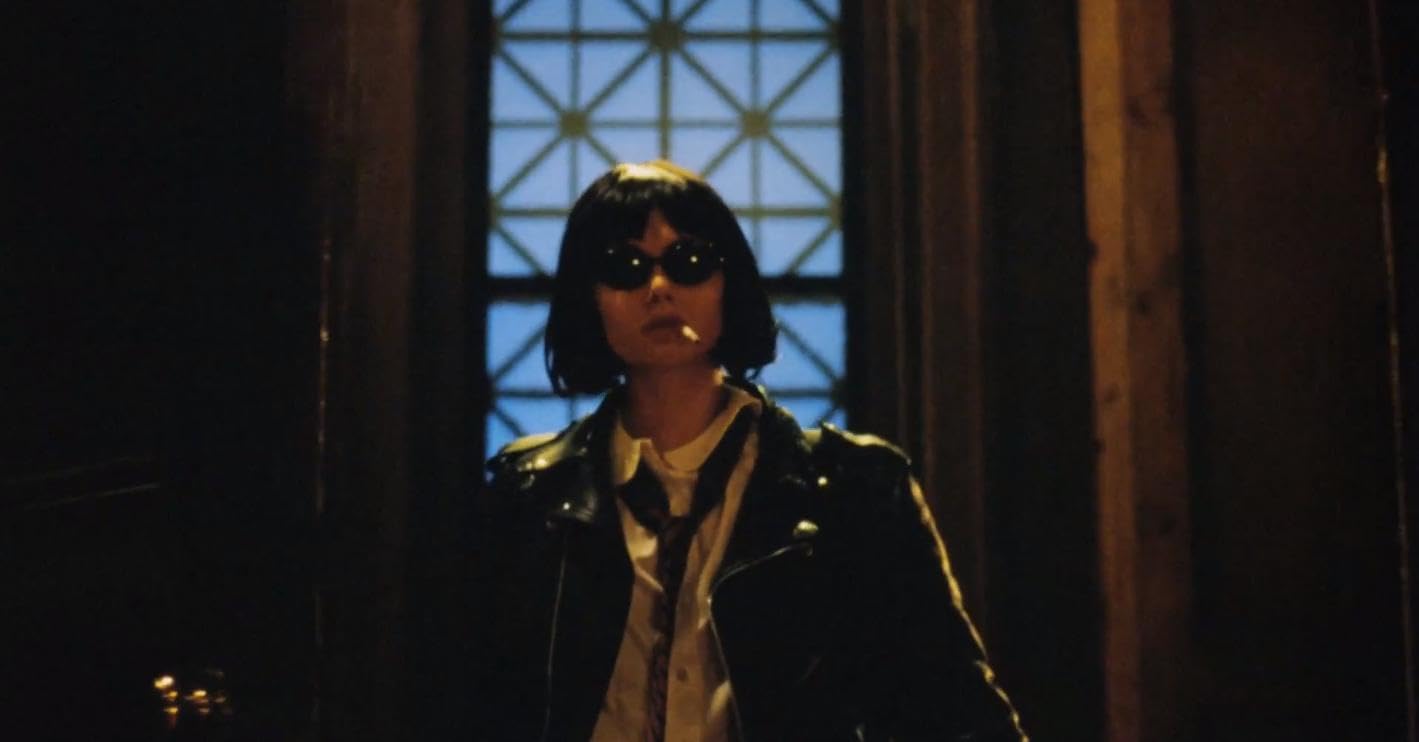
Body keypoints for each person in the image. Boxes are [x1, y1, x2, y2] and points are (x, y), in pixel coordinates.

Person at [473, 160, 1026, 741]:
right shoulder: (532, 496)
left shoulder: (852, 489)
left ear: (728, 280)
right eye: (624, 267)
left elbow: (954, 711)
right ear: (588, 296)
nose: (658, 289)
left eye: (689, 262)